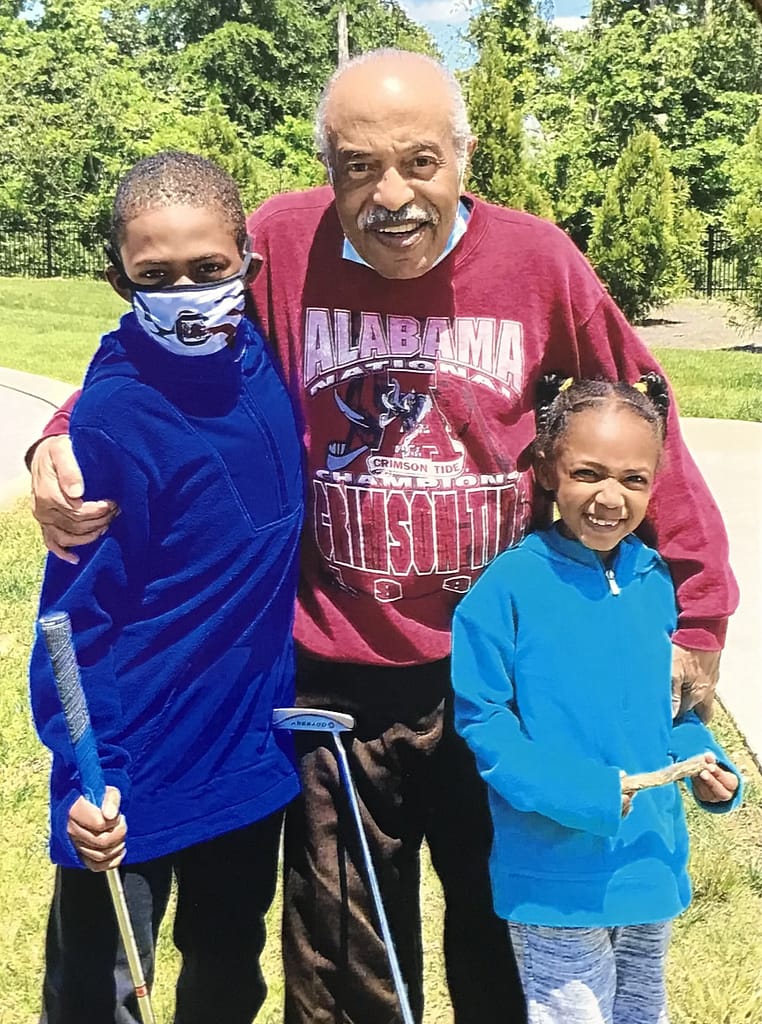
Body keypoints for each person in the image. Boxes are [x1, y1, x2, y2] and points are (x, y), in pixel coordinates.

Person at [26, 50, 738, 1024]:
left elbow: (644, 404)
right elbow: (162, 355)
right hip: (334, 680)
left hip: (500, 671)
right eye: (358, 164)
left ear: (464, 155)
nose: (391, 192)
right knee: (346, 956)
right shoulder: (279, 243)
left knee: (506, 936)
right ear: (329, 169)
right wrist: (62, 433)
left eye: (419, 162)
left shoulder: (537, 262)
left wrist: (698, 607)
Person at [29, 151, 304, 1024]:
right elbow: (70, 626)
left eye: (208, 268)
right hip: (127, 776)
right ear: (120, 280)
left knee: (228, 970)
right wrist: (84, 779)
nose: (186, 291)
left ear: (248, 267)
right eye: (155, 274)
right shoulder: (111, 419)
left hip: (248, 760)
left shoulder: (265, 354)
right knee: (102, 992)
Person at [451, 374, 742, 1024]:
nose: (610, 497)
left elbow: (674, 715)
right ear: (551, 469)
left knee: (642, 1013)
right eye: (589, 473)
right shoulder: (507, 588)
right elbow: (486, 726)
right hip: (554, 873)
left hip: (648, 864)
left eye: (634, 479)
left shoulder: (657, 582)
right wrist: (579, 793)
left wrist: (705, 762)